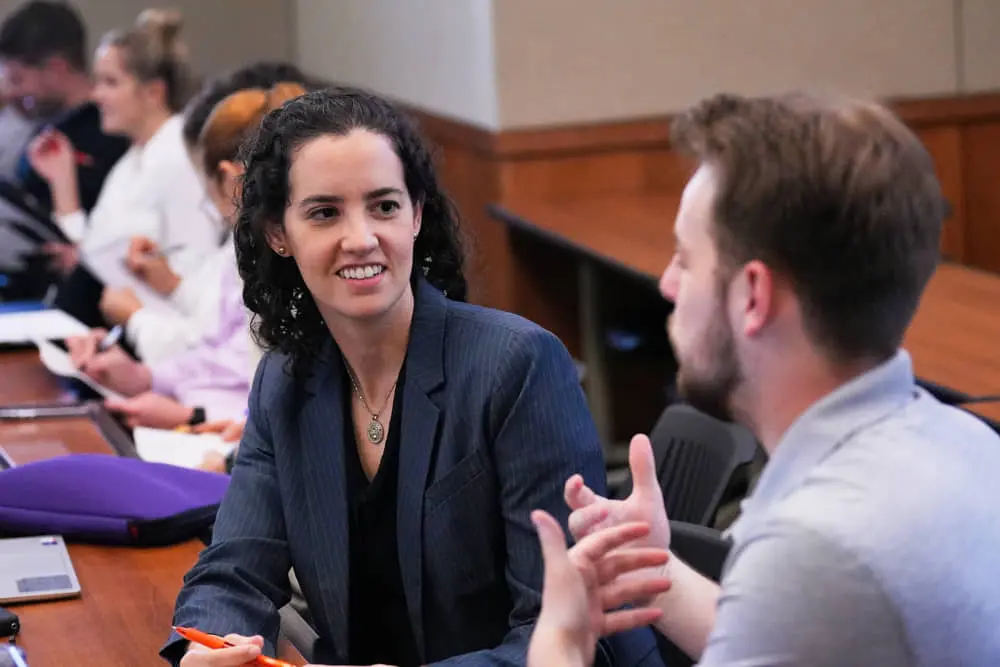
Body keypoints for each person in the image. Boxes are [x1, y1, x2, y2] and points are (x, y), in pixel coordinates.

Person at [163, 87, 663, 667]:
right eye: (325, 212)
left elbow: (568, 633)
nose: (361, 237)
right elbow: (232, 572)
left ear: (417, 214)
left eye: (384, 206)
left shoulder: (517, 366)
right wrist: (211, 648)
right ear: (278, 233)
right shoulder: (286, 380)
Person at [533, 91, 1000, 666]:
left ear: (753, 295)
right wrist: (652, 570)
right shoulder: (966, 441)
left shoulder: (818, 544)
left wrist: (556, 642)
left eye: (685, 258)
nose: (667, 285)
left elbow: (808, 587)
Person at [66, 83, 311, 431]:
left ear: (231, 183)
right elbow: (219, 350)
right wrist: (144, 377)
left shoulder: (283, 270)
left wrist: (191, 415)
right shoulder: (246, 254)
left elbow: (270, 406)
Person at [103, 62, 315, 364]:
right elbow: (217, 321)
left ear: (232, 181)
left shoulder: (266, 261)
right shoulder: (247, 250)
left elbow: (221, 360)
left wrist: (137, 321)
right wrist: (172, 285)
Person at [27, 8, 217, 324]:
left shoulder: (178, 158)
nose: (96, 95)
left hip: (167, 340)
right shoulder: (131, 161)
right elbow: (95, 253)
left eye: (110, 82)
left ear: (153, 92)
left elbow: (196, 271)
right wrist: (62, 180)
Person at [0, 0, 129, 212]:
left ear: (56, 70)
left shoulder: (112, 134)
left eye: (17, 80)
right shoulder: (36, 128)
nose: (9, 92)